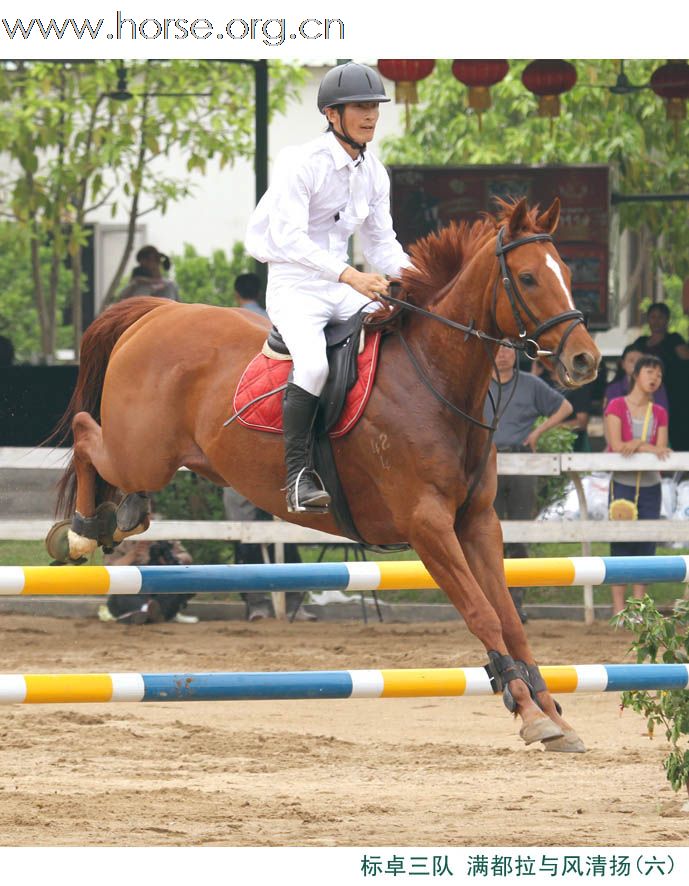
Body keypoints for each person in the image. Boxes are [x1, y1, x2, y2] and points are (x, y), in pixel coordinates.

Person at [245, 61, 412, 514]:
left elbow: (382, 243)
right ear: (332, 114)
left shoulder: (375, 171)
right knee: (315, 366)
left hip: (340, 285)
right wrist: (351, 276)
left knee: (400, 333)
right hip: (295, 286)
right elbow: (289, 240)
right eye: (361, 107)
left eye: (375, 107)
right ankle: (298, 475)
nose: (371, 115)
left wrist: (421, 281)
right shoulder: (300, 162)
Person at [484, 345, 574, 622]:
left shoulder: (531, 384)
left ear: (517, 354)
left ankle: (515, 602)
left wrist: (537, 433)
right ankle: (492, 605)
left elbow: (566, 407)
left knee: (520, 536)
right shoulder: (479, 384)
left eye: (509, 348)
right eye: (497, 347)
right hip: (486, 465)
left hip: (522, 462)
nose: (502, 353)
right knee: (488, 537)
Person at [604, 355, 671, 615]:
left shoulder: (660, 412)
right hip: (622, 483)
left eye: (659, 375)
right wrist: (646, 447)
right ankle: (620, 610)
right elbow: (618, 445)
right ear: (636, 374)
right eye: (649, 372)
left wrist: (640, 445)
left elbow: (661, 449)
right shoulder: (616, 405)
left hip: (651, 484)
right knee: (620, 543)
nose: (654, 378)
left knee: (647, 543)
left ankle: (639, 608)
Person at [222, 487, 317, 621]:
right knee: (248, 545)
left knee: (287, 544)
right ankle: (256, 604)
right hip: (241, 482)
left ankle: (293, 605)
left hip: (274, 484)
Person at [98, 534, 198, 624]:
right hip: (132, 589)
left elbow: (187, 557)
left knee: (180, 587)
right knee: (123, 596)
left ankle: (148, 613)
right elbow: (110, 570)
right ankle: (149, 612)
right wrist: (133, 555)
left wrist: (172, 559)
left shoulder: (164, 536)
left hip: (160, 588)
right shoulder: (118, 539)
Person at [629, 302, 689, 450]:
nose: (656, 321)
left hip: (675, 395)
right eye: (653, 317)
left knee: (677, 432)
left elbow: (686, 358)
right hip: (645, 395)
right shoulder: (640, 342)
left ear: (667, 319)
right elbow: (628, 361)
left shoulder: (675, 339)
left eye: (660, 317)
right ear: (648, 319)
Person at [604, 345, 669, 411]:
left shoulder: (657, 387)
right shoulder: (613, 389)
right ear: (623, 364)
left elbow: (662, 414)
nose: (636, 365)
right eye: (631, 361)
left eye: (640, 361)